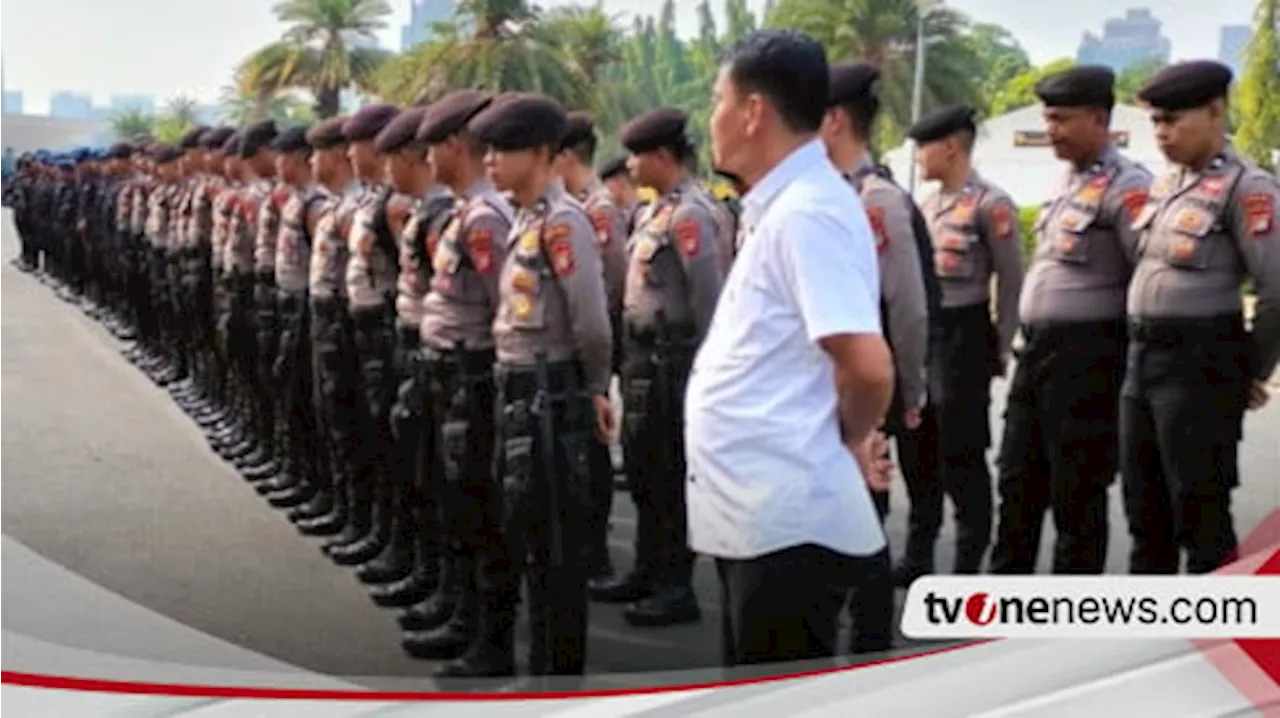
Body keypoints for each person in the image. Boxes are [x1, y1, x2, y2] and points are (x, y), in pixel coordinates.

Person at [688, 29, 895, 668]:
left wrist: (844, 435)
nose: (711, 118)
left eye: (719, 100)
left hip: (786, 523)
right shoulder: (781, 206)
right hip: (762, 517)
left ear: (753, 113)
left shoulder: (808, 211)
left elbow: (867, 364)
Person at [444, 92, 613, 679]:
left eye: (505, 149)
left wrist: (595, 388)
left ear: (542, 153)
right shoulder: (525, 220)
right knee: (525, 537)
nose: (490, 160)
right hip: (517, 393)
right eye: (486, 149)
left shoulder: (564, 224)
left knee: (555, 557)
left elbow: (591, 320)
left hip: (551, 397)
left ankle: (556, 682)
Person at [990, 66, 1153, 575]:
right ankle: (1003, 601)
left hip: (1088, 363)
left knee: (1075, 493)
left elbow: (1144, 280)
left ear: (1099, 118)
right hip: (1037, 355)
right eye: (1047, 119)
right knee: (1017, 481)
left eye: (1061, 119)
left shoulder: (1129, 188)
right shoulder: (1065, 182)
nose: (1051, 130)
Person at [1122, 60, 1280, 574]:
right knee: (1145, 511)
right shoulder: (1167, 186)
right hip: (1143, 360)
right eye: (1156, 123)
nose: (1162, 133)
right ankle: (1153, 637)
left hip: (1200, 364)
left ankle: (1213, 642)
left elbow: (1276, 289)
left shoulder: (1247, 187)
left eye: (1173, 120)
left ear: (1215, 112)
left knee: (1200, 512)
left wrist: (1248, 370)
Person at [588, 106, 722, 629]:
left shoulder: (692, 215)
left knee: (669, 475)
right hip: (644, 358)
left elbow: (709, 300)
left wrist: (705, 374)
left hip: (675, 360)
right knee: (644, 471)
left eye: (637, 155)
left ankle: (675, 585)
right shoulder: (652, 212)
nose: (630, 165)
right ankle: (647, 570)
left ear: (663, 156)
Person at [400, 90, 512, 665]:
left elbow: (503, 313)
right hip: (447, 374)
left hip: (472, 376)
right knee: (453, 499)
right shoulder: (466, 212)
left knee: (477, 508)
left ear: (452, 147)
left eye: (430, 148)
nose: (426, 159)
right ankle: (459, 608)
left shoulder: (486, 218)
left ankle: (488, 638)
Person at [908, 104, 1024, 576]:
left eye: (924, 147)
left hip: (965, 335)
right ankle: (917, 556)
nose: (918, 157)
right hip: (926, 334)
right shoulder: (926, 207)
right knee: (918, 451)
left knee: (962, 454)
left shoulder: (990, 204)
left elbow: (1011, 280)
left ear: (951, 147)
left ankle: (966, 564)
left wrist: (1000, 345)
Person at [821, 60, 934, 526]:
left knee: (863, 504)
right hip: (827, 379)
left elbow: (907, 307)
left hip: (867, 379)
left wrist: (910, 389)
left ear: (834, 121)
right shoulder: (824, 194)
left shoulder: (874, 200)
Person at [553, 111, 626, 589]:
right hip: (571, 336)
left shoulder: (597, 207)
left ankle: (595, 551)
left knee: (592, 452)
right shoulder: (572, 204)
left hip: (593, 334)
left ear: (563, 155)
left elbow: (614, 280)